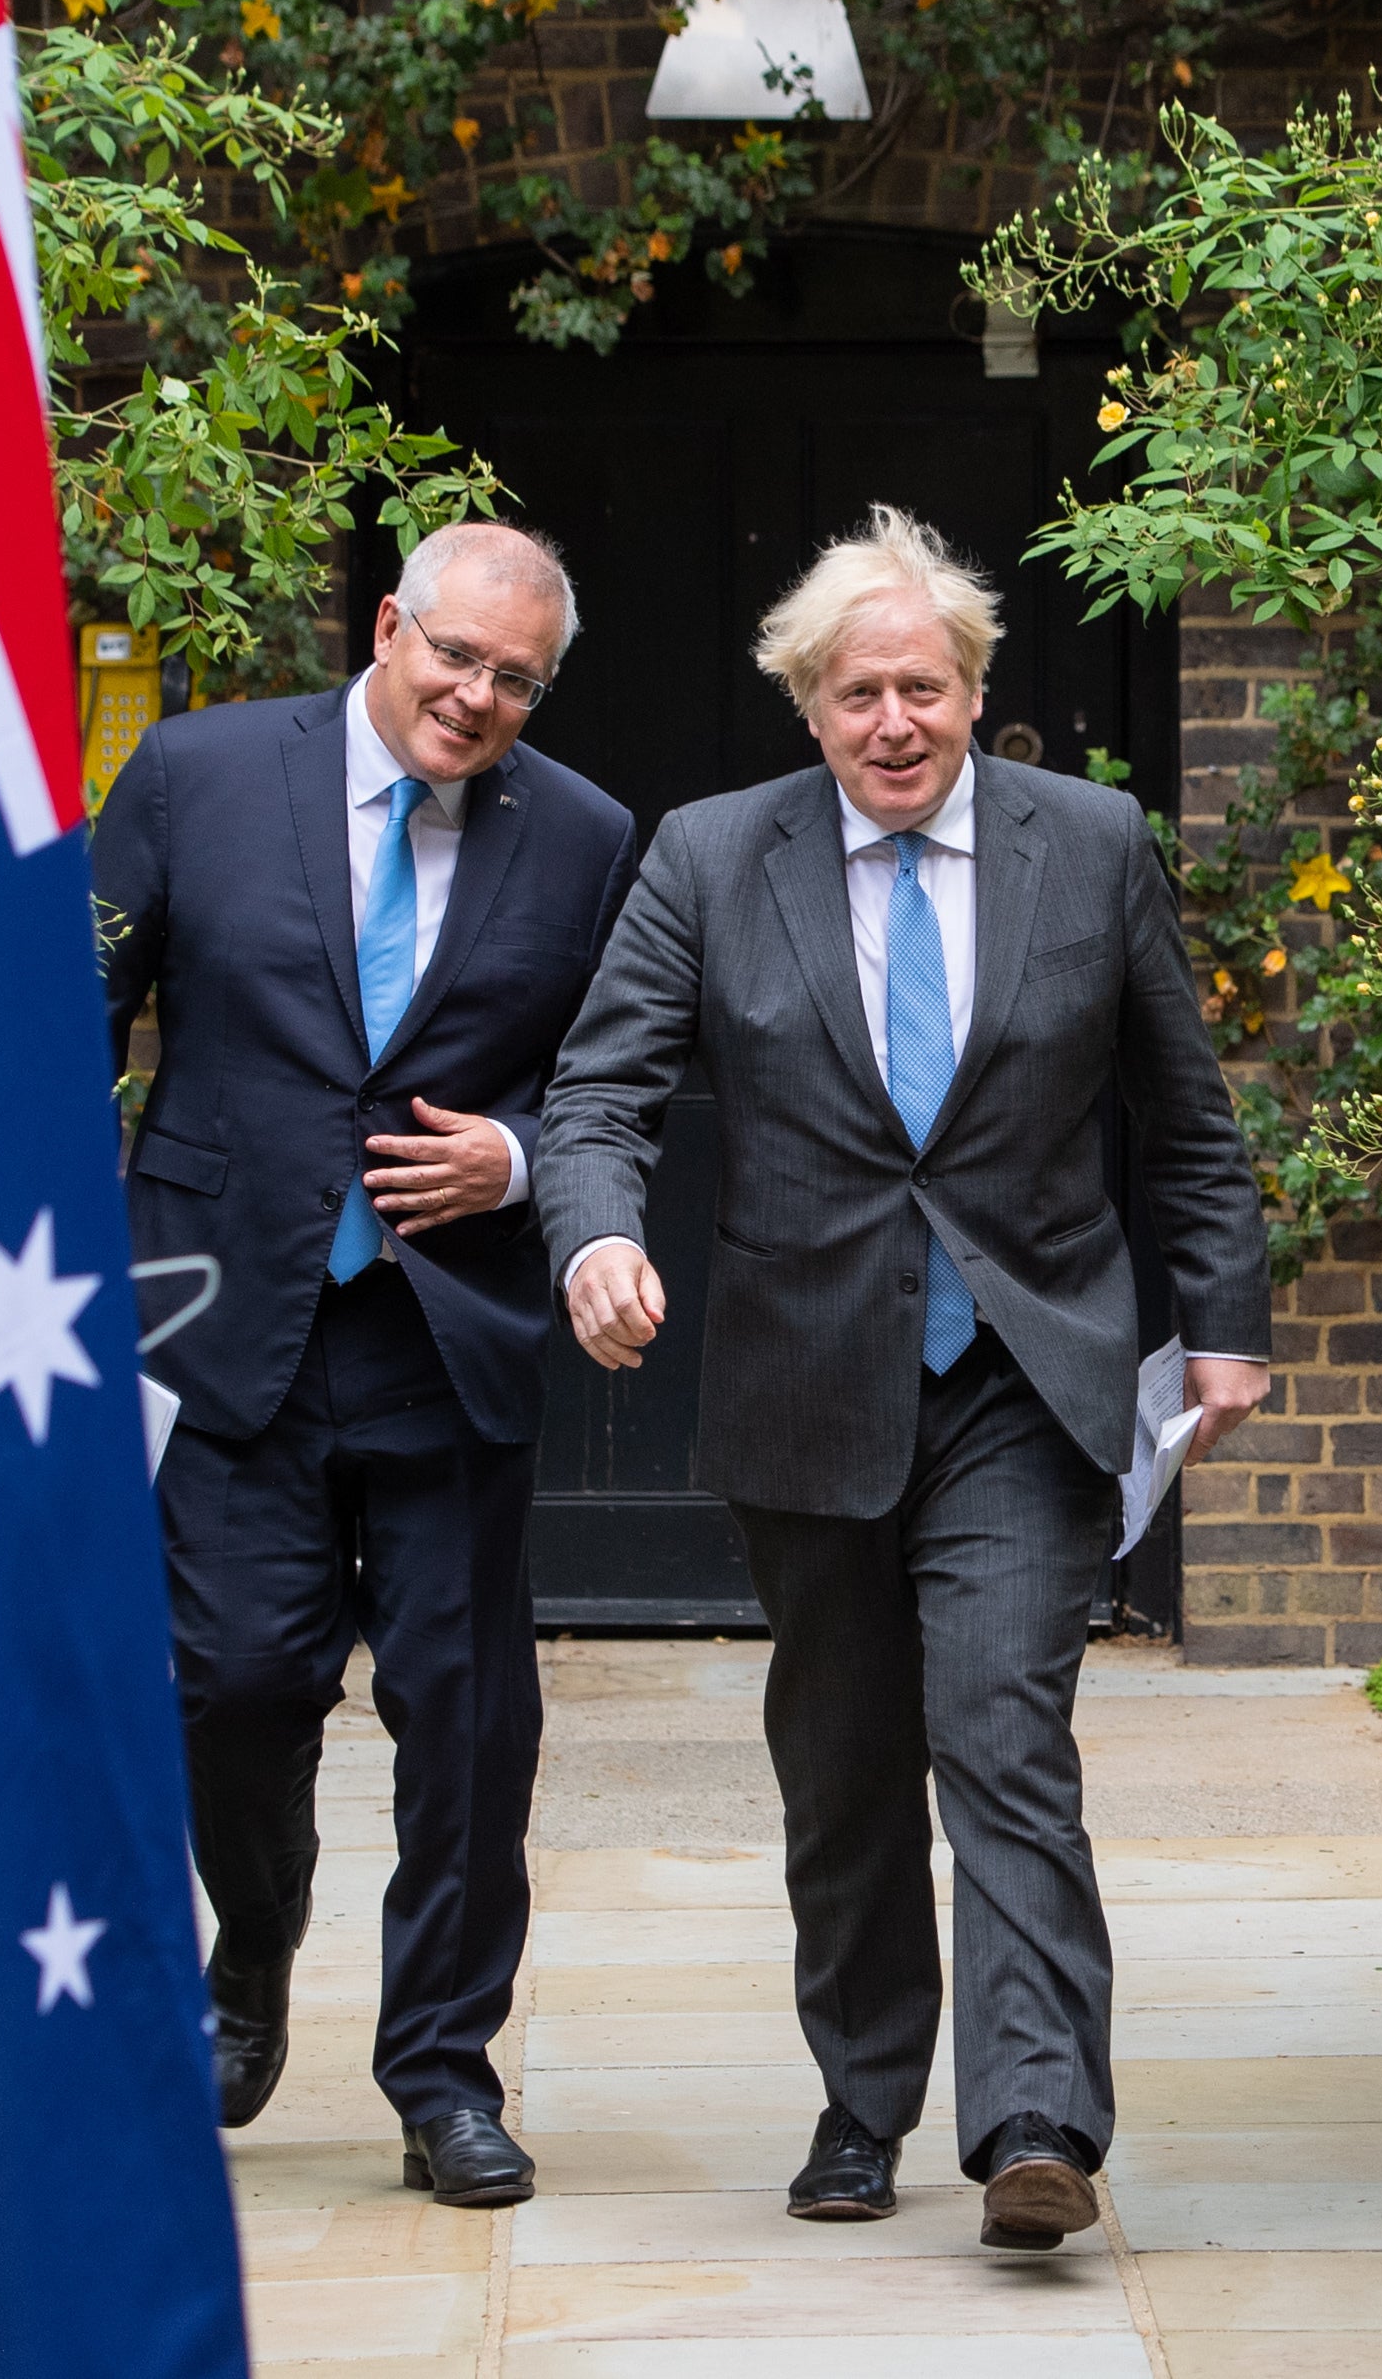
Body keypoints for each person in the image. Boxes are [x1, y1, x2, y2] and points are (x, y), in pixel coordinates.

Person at [537, 506, 1272, 2251]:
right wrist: (595, 1238)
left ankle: (1035, 2123)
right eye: (859, 692)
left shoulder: (1087, 847)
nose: (894, 723)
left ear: (972, 690)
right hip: (807, 1384)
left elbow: (1185, 1115)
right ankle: (862, 2103)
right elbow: (599, 1093)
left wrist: (1225, 1318)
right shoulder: (713, 858)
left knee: (1001, 1729)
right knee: (846, 1759)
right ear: (808, 705)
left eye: (924, 688)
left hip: (1027, 1369)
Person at [93, 523, 634, 2212]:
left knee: (467, 1724)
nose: (476, 699)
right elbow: (64, 1012)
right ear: (388, 625)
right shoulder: (194, 773)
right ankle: (251, 1948)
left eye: (515, 681)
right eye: (455, 657)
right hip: (221, 1321)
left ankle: (444, 2079)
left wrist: (521, 1159)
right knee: (232, 1686)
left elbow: (622, 1078)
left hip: (444, 1335)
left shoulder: (590, 838)